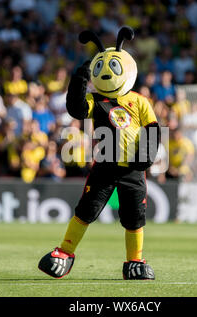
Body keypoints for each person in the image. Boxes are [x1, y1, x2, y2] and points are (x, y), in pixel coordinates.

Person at [38, 27, 160, 280]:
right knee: (86, 210)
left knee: (134, 217)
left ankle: (135, 260)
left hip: (132, 169)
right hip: (104, 166)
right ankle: (65, 252)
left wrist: (145, 157)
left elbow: (153, 128)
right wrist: (79, 81)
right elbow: (77, 109)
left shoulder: (139, 101)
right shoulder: (96, 100)